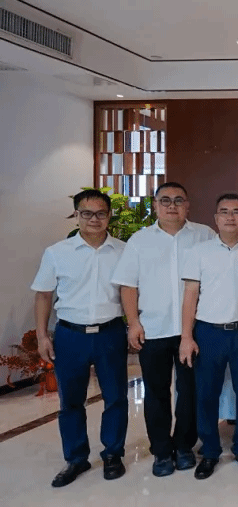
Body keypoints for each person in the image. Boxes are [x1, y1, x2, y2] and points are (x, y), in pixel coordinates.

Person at [112, 182, 214, 477]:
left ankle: (184, 446)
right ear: (155, 205)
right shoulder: (139, 241)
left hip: (192, 331)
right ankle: (161, 451)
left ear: (188, 205)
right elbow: (128, 285)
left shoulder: (204, 235)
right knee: (156, 393)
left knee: (189, 391)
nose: (172, 205)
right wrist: (133, 322)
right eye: (165, 200)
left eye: (178, 200)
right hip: (153, 329)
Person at [32, 189, 127, 487]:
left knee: (116, 397)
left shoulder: (124, 251)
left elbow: (131, 293)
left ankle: (113, 454)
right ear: (76, 215)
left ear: (109, 215)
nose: (94, 219)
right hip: (70, 336)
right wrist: (42, 336)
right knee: (71, 400)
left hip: (110, 332)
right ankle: (76, 458)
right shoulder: (57, 253)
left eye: (100, 213)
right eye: (86, 213)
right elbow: (43, 295)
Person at [179, 193, 238, 479]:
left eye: (236, 212)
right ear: (215, 219)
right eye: (224, 212)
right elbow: (190, 296)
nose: (230, 217)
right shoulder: (199, 252)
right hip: (208, 332)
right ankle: (210, 451)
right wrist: (186, 336)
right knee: (206, 394)